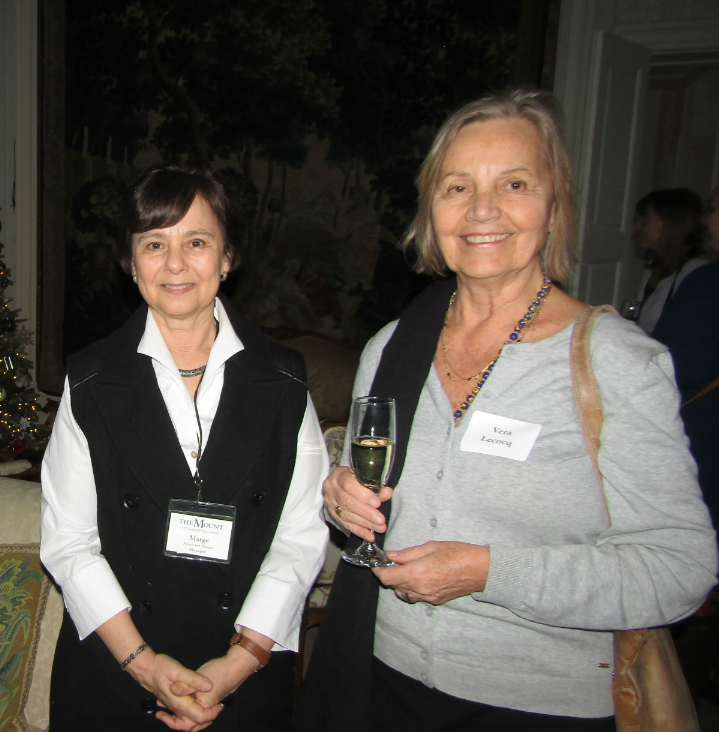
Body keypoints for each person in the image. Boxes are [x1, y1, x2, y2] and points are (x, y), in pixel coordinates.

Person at [295, 89, 717, 732]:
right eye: (456, 187)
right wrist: (340, 500)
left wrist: (490, 572)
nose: (482, 210)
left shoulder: (616, 364)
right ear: (430, 211)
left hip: (540, 706)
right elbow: (367, 494)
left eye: (514, 183)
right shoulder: (391, 347)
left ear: (554, 206)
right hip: (381, 684)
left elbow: (681, 569)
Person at [40, 166, 330, 731]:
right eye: (155, 244)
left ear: (227, 258)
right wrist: (144, 666)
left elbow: (300, 538)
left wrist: (239, 664)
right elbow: (69, 543)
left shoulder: (284, 381)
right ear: (131, 263)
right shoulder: (92, 379)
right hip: (115, 676)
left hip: (244, 677)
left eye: (196, 242)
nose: (175, 264)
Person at [655, 183, 719, 528]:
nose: (706, 220)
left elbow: (673, 369)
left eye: (713, 209)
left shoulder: (708, 284)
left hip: (705, 440)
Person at [629, 188, 707, 334]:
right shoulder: (652, 268)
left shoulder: (695, 273)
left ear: (670, 224)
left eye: (645, 218)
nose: (638, 226)